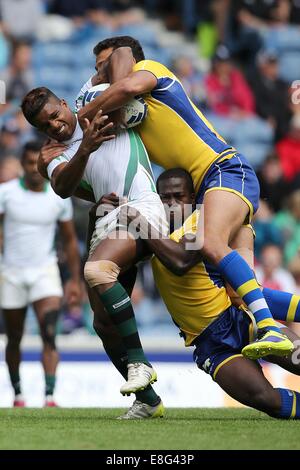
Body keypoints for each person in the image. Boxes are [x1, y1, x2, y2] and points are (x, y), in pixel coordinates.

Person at [76, 35, 293, 359]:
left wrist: (86, 114)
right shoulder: (130, 123)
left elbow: (123, 85)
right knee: (240, 293)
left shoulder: (151, 71)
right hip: (214, 187)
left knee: (208, 241)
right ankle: (271, 322)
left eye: (105, 66)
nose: (101, 76)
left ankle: (269, 327)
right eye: (96, 70)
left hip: (224, 169)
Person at [21, 86, 167, 411]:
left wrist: (102, 71)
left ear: (63, 103)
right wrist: (83, 149)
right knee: (102, 323)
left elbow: (122, 63)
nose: (55, 126)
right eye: (46, 126)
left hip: (142, 205)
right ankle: (147, 400)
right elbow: (61, 187)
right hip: (108, 220)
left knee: (97, 269)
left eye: (55, 116)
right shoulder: (52, 155)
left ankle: (140, 362)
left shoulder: (97, 108)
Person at [117, 167, 300, 419]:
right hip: (209, 345)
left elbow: (180, 262)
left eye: (178, 197)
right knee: (266, 400)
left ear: (192, 198)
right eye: (164, 198)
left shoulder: (202, 222)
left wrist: (138, 222)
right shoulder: (155, 230)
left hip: (238, 320)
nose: (171, 204)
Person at [0, 141, 81, 407]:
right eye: (29, 163)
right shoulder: (5, 193)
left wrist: (74, 280)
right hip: (10, 273)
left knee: (49, 335)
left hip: (45, 273)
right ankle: (18, 394)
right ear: (23, 165)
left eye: (39, 163)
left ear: (44, 165)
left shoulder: (58, 196)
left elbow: (69, 241)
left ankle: (49, 396)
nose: (35, 169)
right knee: (14, 337)